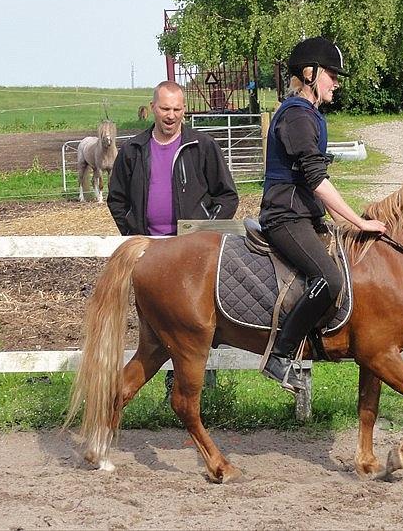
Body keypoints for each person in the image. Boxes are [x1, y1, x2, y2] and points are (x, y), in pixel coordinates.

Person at [259, 37, 386, 393]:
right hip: (285, 216)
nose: (337, 81)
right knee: (329, 279)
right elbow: (316, 180)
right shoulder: (297, 116)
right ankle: (280, 355)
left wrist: (344, 220)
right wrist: (358, 222)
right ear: (310, 74)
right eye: (332, 74)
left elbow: (315, 182)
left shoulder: (310, 115)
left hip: (303, 215)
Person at [107, 80, 239, 397]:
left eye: (178, 109)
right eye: (165, 108)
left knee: (198, 323)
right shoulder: (133, 151)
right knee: (159, 330)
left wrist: (203, 230)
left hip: (190, 258)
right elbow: (116, 199)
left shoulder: (202, 147)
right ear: (153, 108)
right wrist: (133, 234)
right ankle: (175, 393)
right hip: (151, 257)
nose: (171, 115)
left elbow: (227, 196)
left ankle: (196, 393)